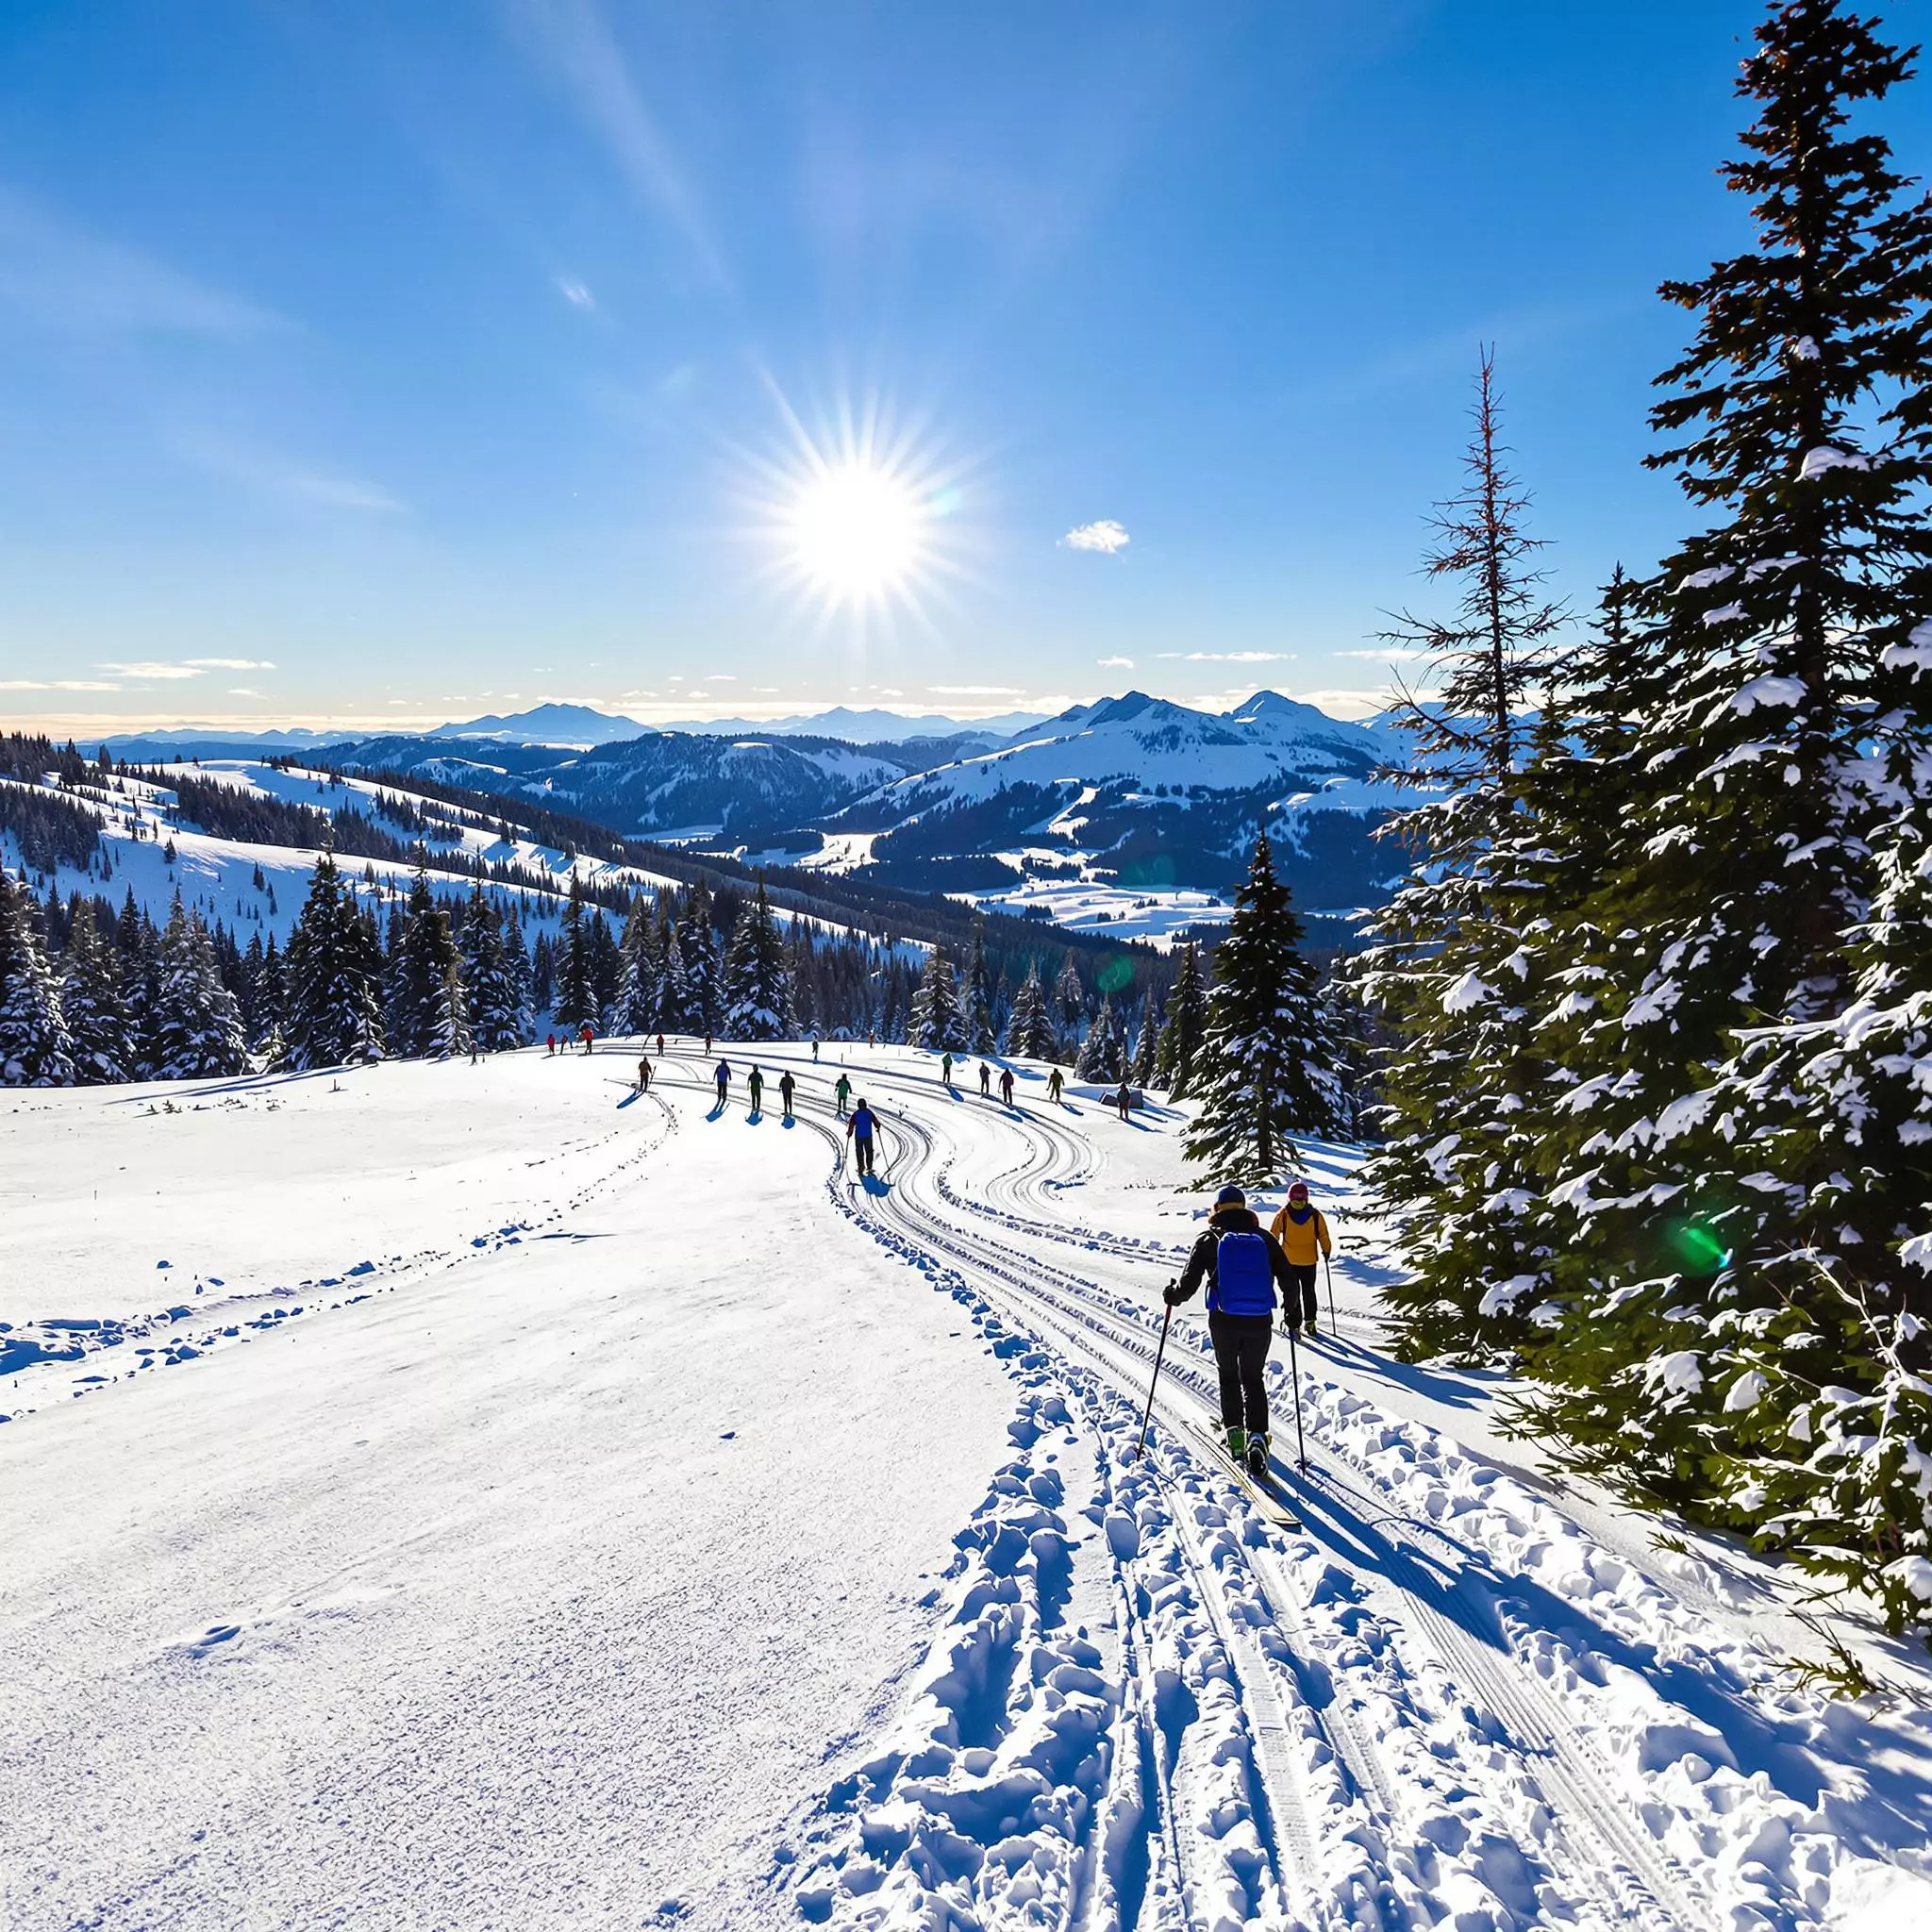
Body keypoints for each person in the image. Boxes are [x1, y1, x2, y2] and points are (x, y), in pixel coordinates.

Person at [1165, 1184, 1301, 1476]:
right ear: (1243, 1207)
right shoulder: (1263, 1238)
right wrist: (1292, 1312)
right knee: (1253, 1378)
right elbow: (1289, 1279)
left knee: (1228, 1375)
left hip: (1223, 1320)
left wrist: (1172, 1296)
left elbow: (1188, 1285)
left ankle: (1235, 1433)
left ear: (1216, 1209)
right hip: (1259, 1320)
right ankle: (1258, 1435)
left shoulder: (1208, 1239)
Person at [1268, 1181, 1333, 1331]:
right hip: (1309, 1261)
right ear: (1306, 1197)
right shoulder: (1315, 1215)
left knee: (1292, 1292)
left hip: (1288, 1261)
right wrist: (1326, 1250)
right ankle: (1310, 1321)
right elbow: (1323, 1235)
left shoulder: (1284, 1214)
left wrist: (1271, 1254)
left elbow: (1273, 1235)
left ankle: (1294, 1323)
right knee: (1309, 1291)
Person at [846, 1097, 877, 1176]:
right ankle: (869, 1167)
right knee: (869, 1151)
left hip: (859, 1136)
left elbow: (851, 1125)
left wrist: (849, 1133)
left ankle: (861, 1167)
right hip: (868, 1135)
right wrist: (878, 1127)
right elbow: (876, 1121)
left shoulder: (856, 1114)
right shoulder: (869, 1112)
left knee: (859, 1152)